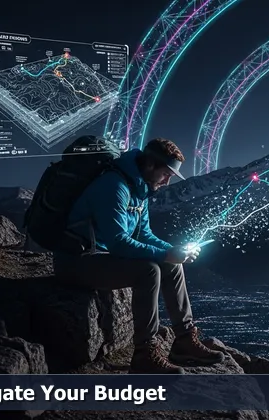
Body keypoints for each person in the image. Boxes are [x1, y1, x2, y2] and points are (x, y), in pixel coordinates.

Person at [53, 137, 225, 374]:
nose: (166, 182)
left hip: (101, 258)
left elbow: (144, 234)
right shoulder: (114, 186)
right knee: (149, 271)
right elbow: (118, 243)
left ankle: (184, 339)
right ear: (151, 165)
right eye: (166, 174)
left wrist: (174, 253)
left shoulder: (139, 189)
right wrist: (166, 254)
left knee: (171, 265)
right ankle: (145, 353)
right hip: (77, 261)